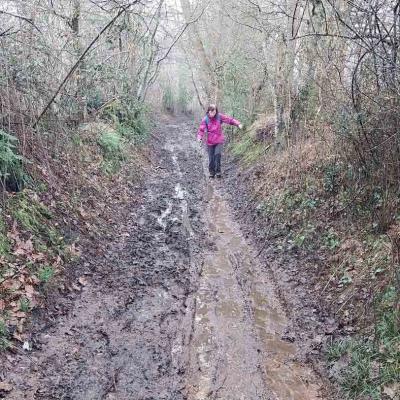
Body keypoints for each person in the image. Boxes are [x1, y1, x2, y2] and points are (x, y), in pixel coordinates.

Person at [197, 104, 243, 178]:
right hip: (210, 142)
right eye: (211, 112)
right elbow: (201, 130)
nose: (213, 114)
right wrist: (199, 138)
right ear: (208, 111)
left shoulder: (219, 116)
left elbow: (229, 120)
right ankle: (212, 173)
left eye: (214, 112)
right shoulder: (205, 119)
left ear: (216, 111)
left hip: (218, 140)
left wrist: (238, 124)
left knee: (217, 155)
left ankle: (218, 172)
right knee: (211, 158)